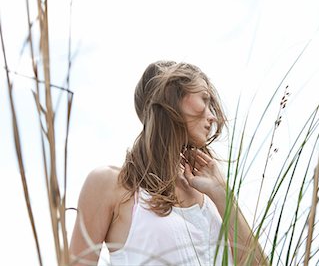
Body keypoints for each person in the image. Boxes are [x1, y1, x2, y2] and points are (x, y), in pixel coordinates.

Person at [69, 61, 268, 265]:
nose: (212, 116)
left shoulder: (209, 195)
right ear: (171, 97)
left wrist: (223, 195)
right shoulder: (111, 184)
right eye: (204, 99)